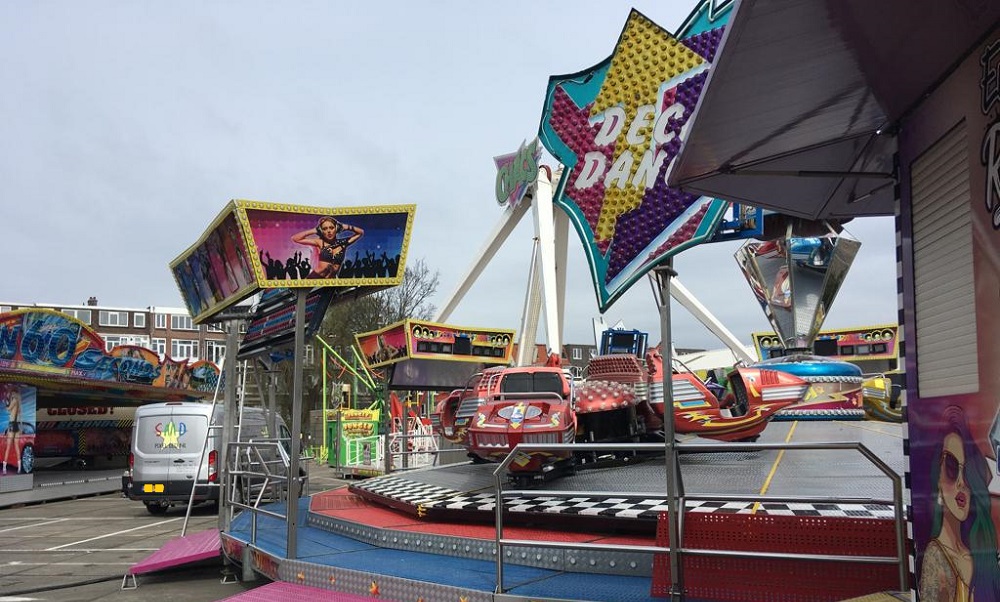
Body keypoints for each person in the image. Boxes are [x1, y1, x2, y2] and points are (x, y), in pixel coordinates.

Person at [919, 405, 1000, 601]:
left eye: (968, 470)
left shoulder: (976, 552)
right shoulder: (935, 559)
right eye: (952, 467)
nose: (961, 483)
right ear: (937, 476)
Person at [292, 217, 363, 279]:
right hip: (315, 277)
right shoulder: (320, 242)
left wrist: (345, 227)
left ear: (337, 228)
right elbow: (296, 238)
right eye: (325, 229)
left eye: (331, 228)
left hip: (330, 282)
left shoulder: (343, 243)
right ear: (321, 231)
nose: (329, 231)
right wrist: (315, 230)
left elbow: (360, 232)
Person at [2, 387, 22, 474]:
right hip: (16, 425)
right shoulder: (18, 403)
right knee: (16, 446)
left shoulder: (14, 400)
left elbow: (8, 409)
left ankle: (4, 468)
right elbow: (19, 416)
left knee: (9, 446)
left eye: (12, 393)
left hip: (12, 424)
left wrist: (6, 401)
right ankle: (19, 467)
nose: (12, 395)